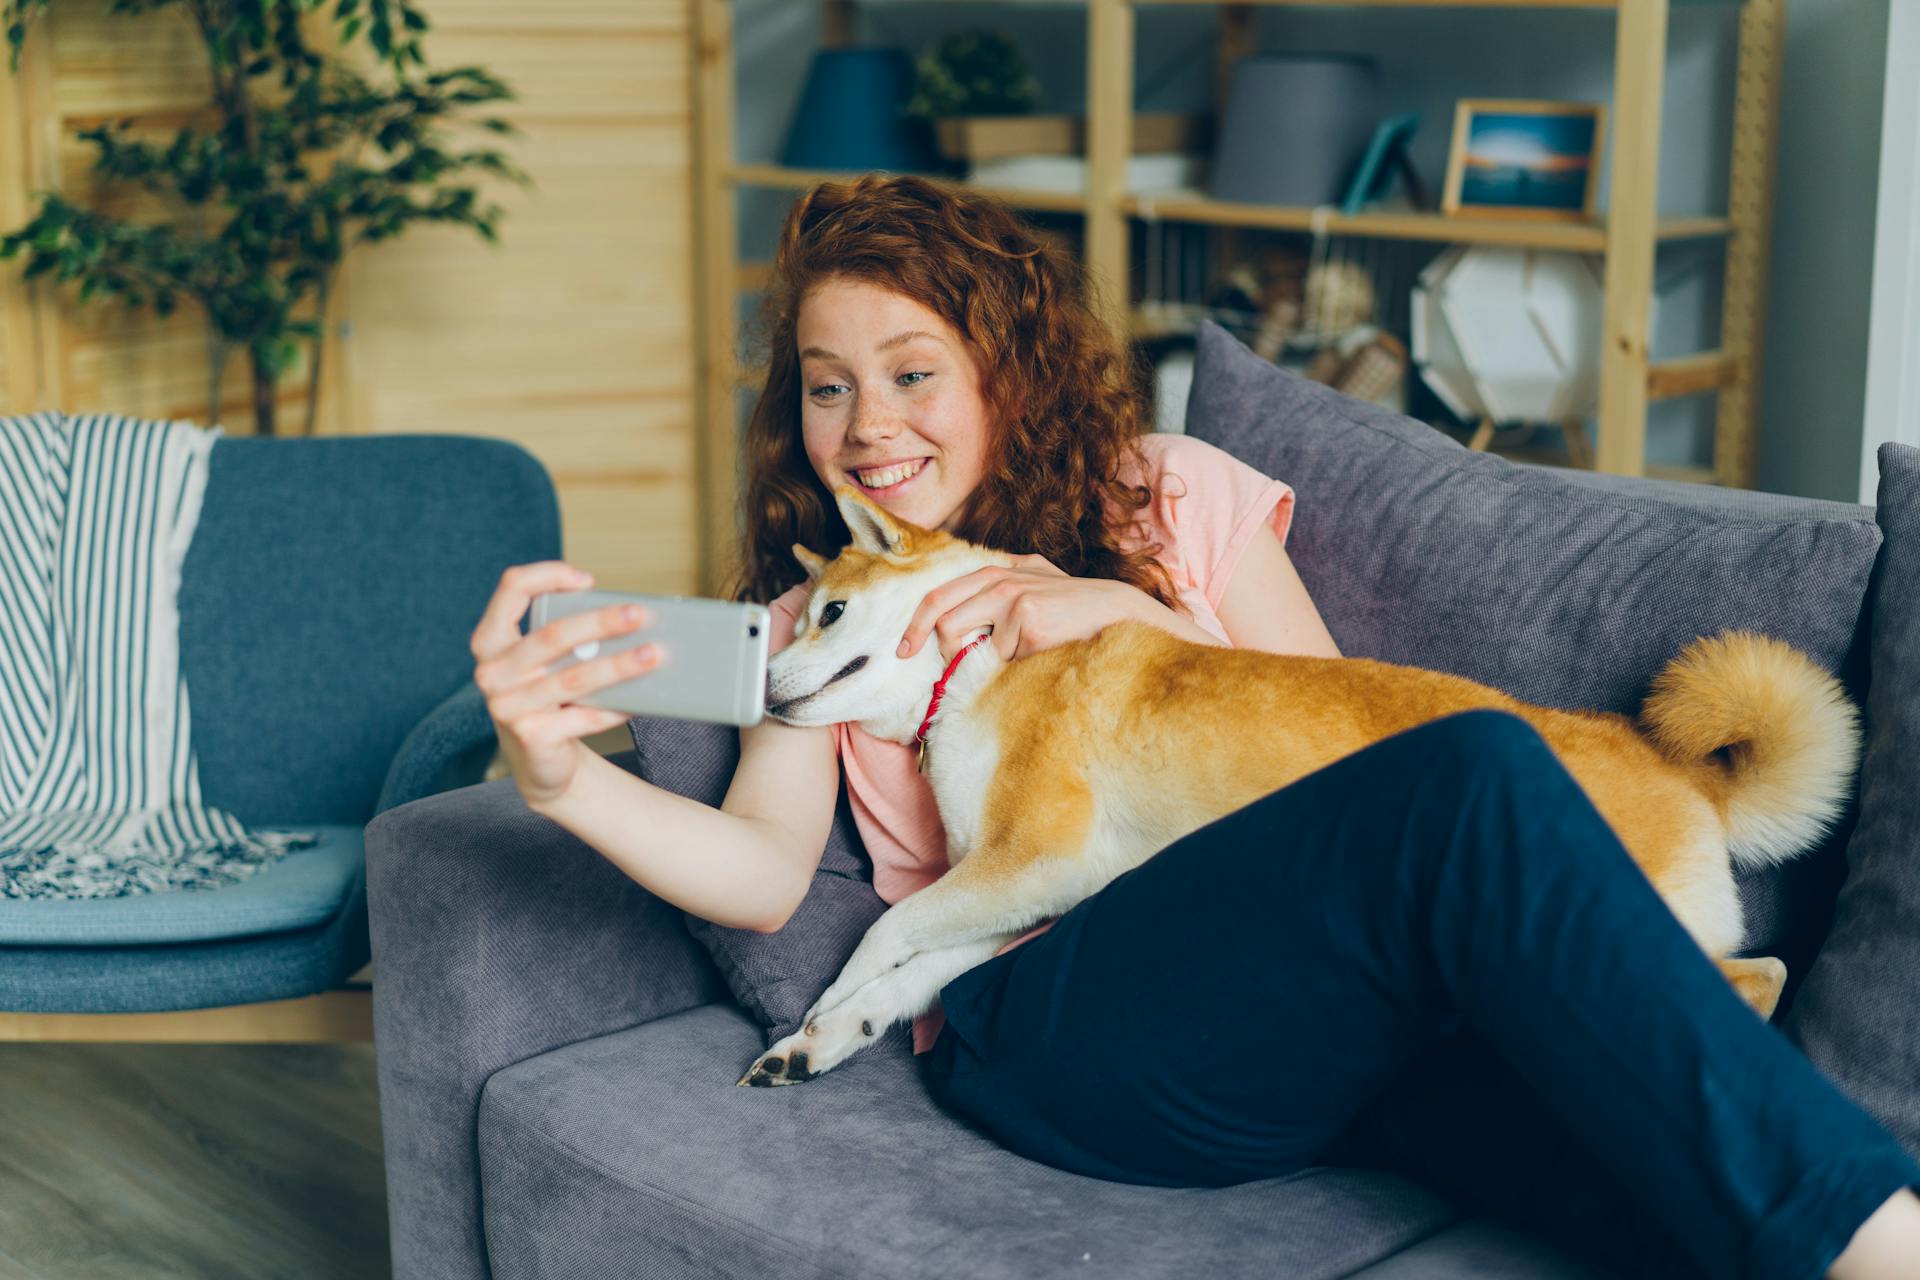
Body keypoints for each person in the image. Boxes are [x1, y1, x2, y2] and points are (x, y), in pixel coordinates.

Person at [469, 173, 1920, 1279]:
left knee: (1619, 1165)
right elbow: (764, 874)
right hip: (1055, 1035)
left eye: (912, 372)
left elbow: (1348, 740)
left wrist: (1119, 608)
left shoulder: (1165, 499)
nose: (868, 424)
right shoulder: (823, 628)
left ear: (1003, 367)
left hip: (1302, 1024)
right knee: (1479, 772)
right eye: (827, 386)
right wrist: (561, 781)